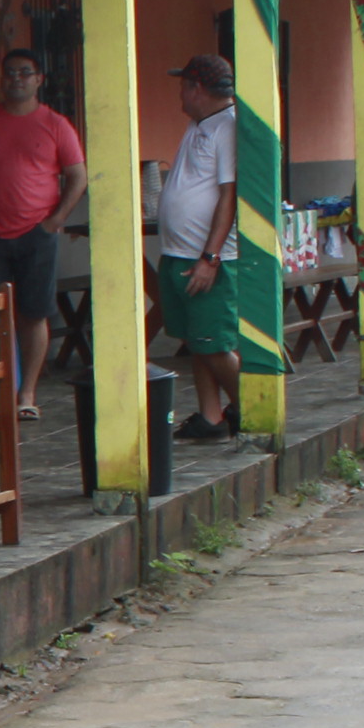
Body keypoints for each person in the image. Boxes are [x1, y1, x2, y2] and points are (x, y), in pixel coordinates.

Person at [0, 47, 88, 421]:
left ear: (39, 79)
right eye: (9, 72)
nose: (16, 79)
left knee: (33, 314)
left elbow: (77, 176)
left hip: (37, 234)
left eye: (25, 72)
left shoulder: (56, 124)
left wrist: (55, 221)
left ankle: (26, 395)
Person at [155, 53, 244, 441]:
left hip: (206, 257)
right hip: (179, 252)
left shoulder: (228, 127)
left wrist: (211, 257)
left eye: (183, 86)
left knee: (213, 342)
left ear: (197, 89)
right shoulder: (198, 124)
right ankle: (211, 415)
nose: (179, 94)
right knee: (196, 338)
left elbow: (229, 195)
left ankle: (250, 406)